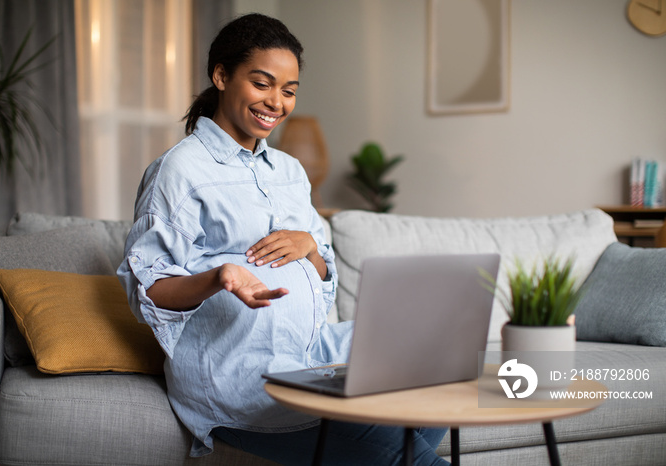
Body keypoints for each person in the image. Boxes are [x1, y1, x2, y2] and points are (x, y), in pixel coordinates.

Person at [117, 13, 449, 466]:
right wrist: (219, 276)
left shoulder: (290, 172)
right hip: (241, 379)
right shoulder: (180, 170)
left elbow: (321, 272)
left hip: (307, 358)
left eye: (289, 91)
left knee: (431, 377)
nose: (276, 101)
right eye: (262, 84)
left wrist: (309, 247)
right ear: (221, 76)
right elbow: (148, 288)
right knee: (404, 450)